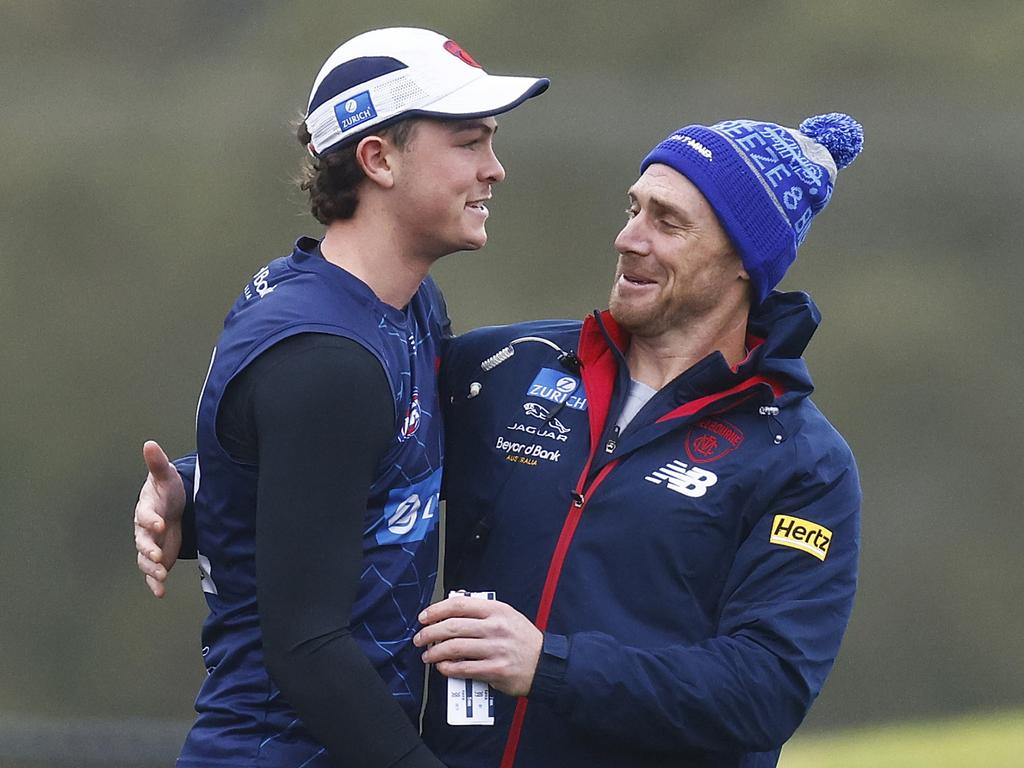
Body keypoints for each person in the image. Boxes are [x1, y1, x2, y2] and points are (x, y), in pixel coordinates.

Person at [139, 112, 863, 768]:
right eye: (633, 208)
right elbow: (356, 466)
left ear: (745, 261)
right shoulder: (504, 369)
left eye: (668, 223)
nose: (628, 238)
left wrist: (549, 664)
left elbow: (764, 692)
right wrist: (197, 496)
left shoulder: (802, 464)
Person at [133, 26, 547, 768]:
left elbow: (323, 479)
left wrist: (199, 497)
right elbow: (308, 648)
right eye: (468, 141)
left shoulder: (405, 308)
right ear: (378, 158)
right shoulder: (326, 357)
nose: (495, 169)